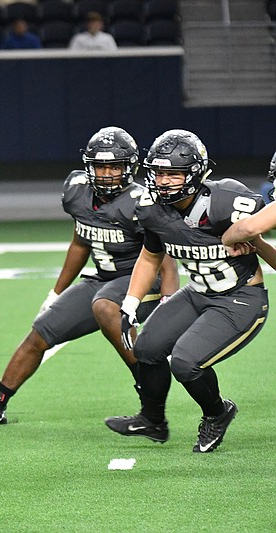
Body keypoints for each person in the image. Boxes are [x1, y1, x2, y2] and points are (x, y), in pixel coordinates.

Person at [0, 127, 179, 427]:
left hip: (141, 283)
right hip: (102, 281)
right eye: (100, 166)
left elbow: (164, 259)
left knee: (105, 306)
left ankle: (150, 404)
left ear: (130, 168)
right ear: (89, 166)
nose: (107, 173)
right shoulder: (77, 191)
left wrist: (169, 302)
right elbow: (80, 242)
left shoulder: (142, 201)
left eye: (115, 166)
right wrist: (56, 293)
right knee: (42, 331)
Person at [105, 129, 272, 453]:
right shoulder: (152, 208)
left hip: (240, 298)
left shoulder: (227, 200)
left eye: (174, 173)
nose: (165, 181)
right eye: (160, 173)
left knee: (185, 361)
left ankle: (218, 413)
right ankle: (152, 420)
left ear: (196, 173)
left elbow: (261, 224)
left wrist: (254, 239)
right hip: (198, 292)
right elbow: (151, 256)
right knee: (148, 348)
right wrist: (130, 302)